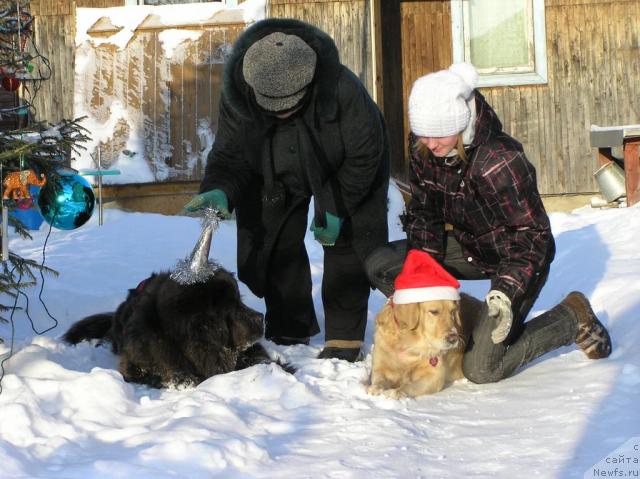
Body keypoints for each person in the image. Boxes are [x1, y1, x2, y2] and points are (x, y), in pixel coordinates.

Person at [365, 63, 611, 383]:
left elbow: (532, 236)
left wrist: (505, 292)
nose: (429, 143)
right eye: (423, 134)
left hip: (516, 259)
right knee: (381, 264)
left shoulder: (500, 160)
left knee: (481, 369)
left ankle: (571, 317)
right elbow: (425, 211)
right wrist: (422, 268)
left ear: (459, 123)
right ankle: (464, 326)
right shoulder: (426, 147)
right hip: (469, 247)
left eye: (438, 134)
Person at [183, 18, 389, 362]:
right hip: (276, 171)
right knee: (274, 238)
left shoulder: (342, 89)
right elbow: (231, 154)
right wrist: (219, 190)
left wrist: (336, 209)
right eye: (273, 107)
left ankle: (344, 336)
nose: (282, 114)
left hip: (343, 169)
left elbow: (365, 155)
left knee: (345, 239)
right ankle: (290, 324)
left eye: (290, 105)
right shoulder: (238, 93)